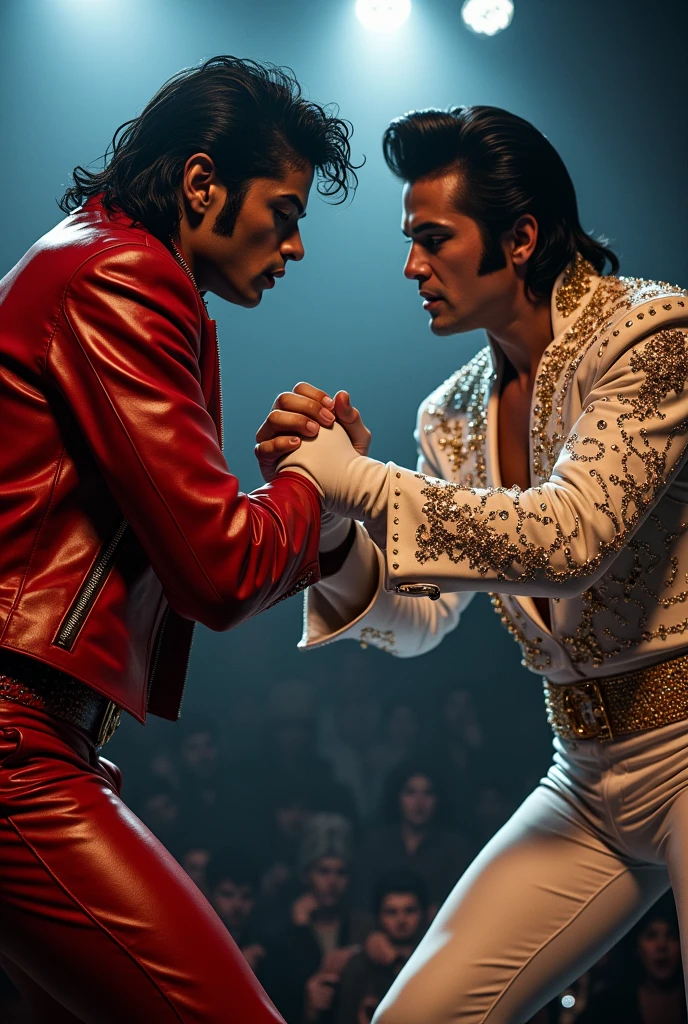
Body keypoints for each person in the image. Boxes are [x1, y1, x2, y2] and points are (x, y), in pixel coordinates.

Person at [255, 105, 688, 1022]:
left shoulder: (653, 336)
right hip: (584, 776)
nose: (412, 266)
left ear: (521, 237)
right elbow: (416, 623)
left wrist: (363, 481)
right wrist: (335, 525)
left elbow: (566, 541)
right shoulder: (450, 413)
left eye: (433, 239)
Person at [0, 54, 358, 1023]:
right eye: (284, 214)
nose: (293, 248)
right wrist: (313, 480)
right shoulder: (122, 276)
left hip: (46, 740)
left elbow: (206, 550)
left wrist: (315, 521)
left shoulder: (108, 266)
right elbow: (215, 568)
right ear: (202, 183)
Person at [260, 813, 371, 1024]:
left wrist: (358, 953)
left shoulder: (363, 927)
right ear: (306, 874)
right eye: (323, 871)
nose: (332, 881)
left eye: (341, 872)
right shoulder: (282, 933)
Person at [355, 759, 470, 913]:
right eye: (410, 792)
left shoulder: (455, 848)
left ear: (439, 799)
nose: (419, 802)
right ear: (397, 797)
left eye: (428, 793)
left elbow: (463, 903)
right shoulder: (374, 844)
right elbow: (360, 902)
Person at [335, 870, 428, 1024]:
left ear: (424, 914)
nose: (401, 920)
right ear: (378, 916)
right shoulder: (359, 967)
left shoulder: (434, 962)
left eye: (409, 911)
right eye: (391, 912)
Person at [577, 896, 686, 1024]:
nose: (662, 945)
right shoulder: (609, 1004)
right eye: (651, 935)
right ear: (637, 947)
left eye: (671, 935)